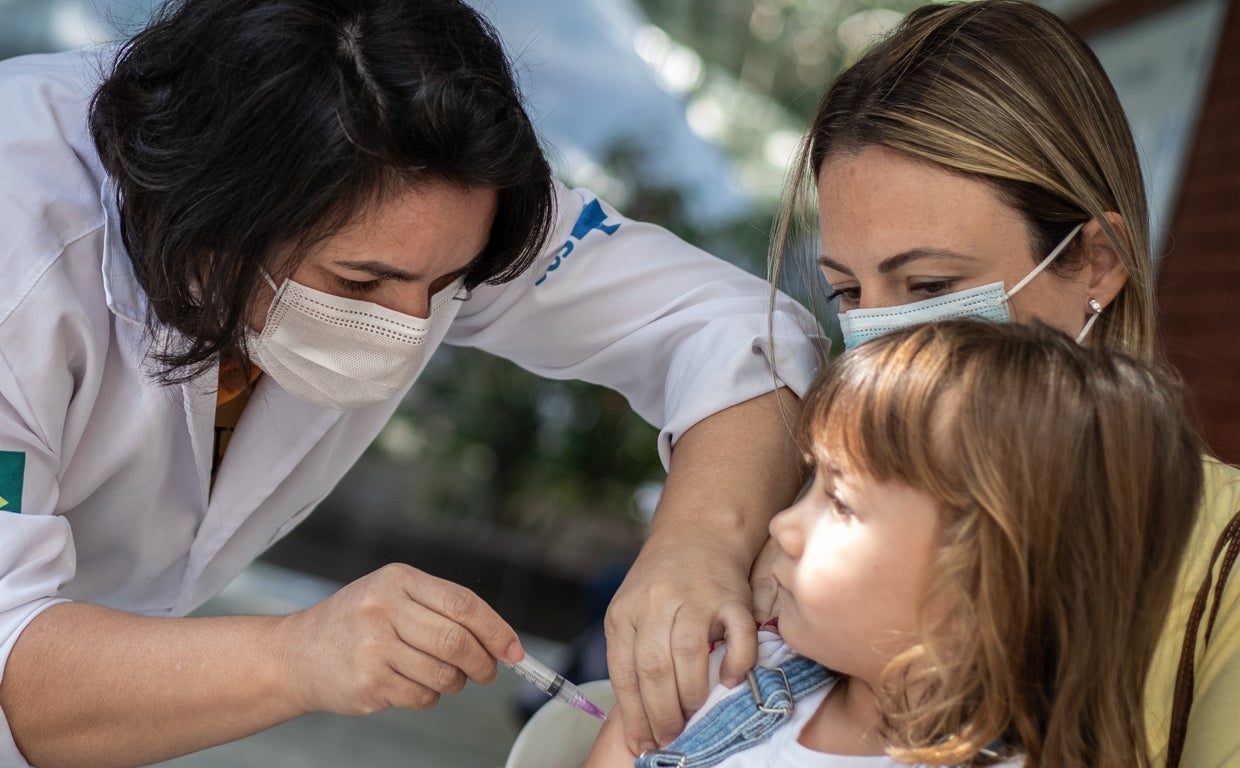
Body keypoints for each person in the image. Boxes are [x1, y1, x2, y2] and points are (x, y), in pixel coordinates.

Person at [0, 1, 823, 765]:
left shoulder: (433, 204)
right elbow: (11, 662)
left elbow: (737, 329)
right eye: (359, 284)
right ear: (213, 218)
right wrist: (301, 656)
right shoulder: (23, 247)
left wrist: (696, 548)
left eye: (445, 288)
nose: (406, 327)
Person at [744, 2, 1239, 766]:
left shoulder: (1224, 568)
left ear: (1098, 264)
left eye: (930, 282)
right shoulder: (808, 505)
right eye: (847, 292)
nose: (880, 335)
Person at [586, 319, 1205, 767]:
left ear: (989, 590)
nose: (782, 527)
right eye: (811, 484)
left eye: (841, 502)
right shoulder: (733, 673)